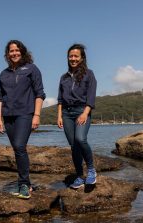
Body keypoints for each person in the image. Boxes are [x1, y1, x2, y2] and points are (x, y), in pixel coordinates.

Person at [0, 40, 46, 199]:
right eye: (11, 51)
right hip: (8, 116)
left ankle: (24, 184)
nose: (14, 53)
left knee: (19, 146)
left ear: (22, 52)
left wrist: (36, 115)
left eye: (17, 50)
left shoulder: (31, 69)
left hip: (25, 113)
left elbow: (39, 93)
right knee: (18, 150)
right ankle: (25, 183)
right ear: (7, 54)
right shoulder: (4, 73)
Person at [57, 43, 97, 189]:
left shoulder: (89, 74)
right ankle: (80, 176)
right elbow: (60, 99)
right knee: (74, 146)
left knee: (80, 139)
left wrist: (85, 113)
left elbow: (91, 97)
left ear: (81, 58)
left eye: (76, 56)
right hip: (66, 113)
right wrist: (59, 116)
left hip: (82, 111)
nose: (73, 58)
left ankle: (91, 170)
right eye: (70, 56)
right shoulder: (64, 77)